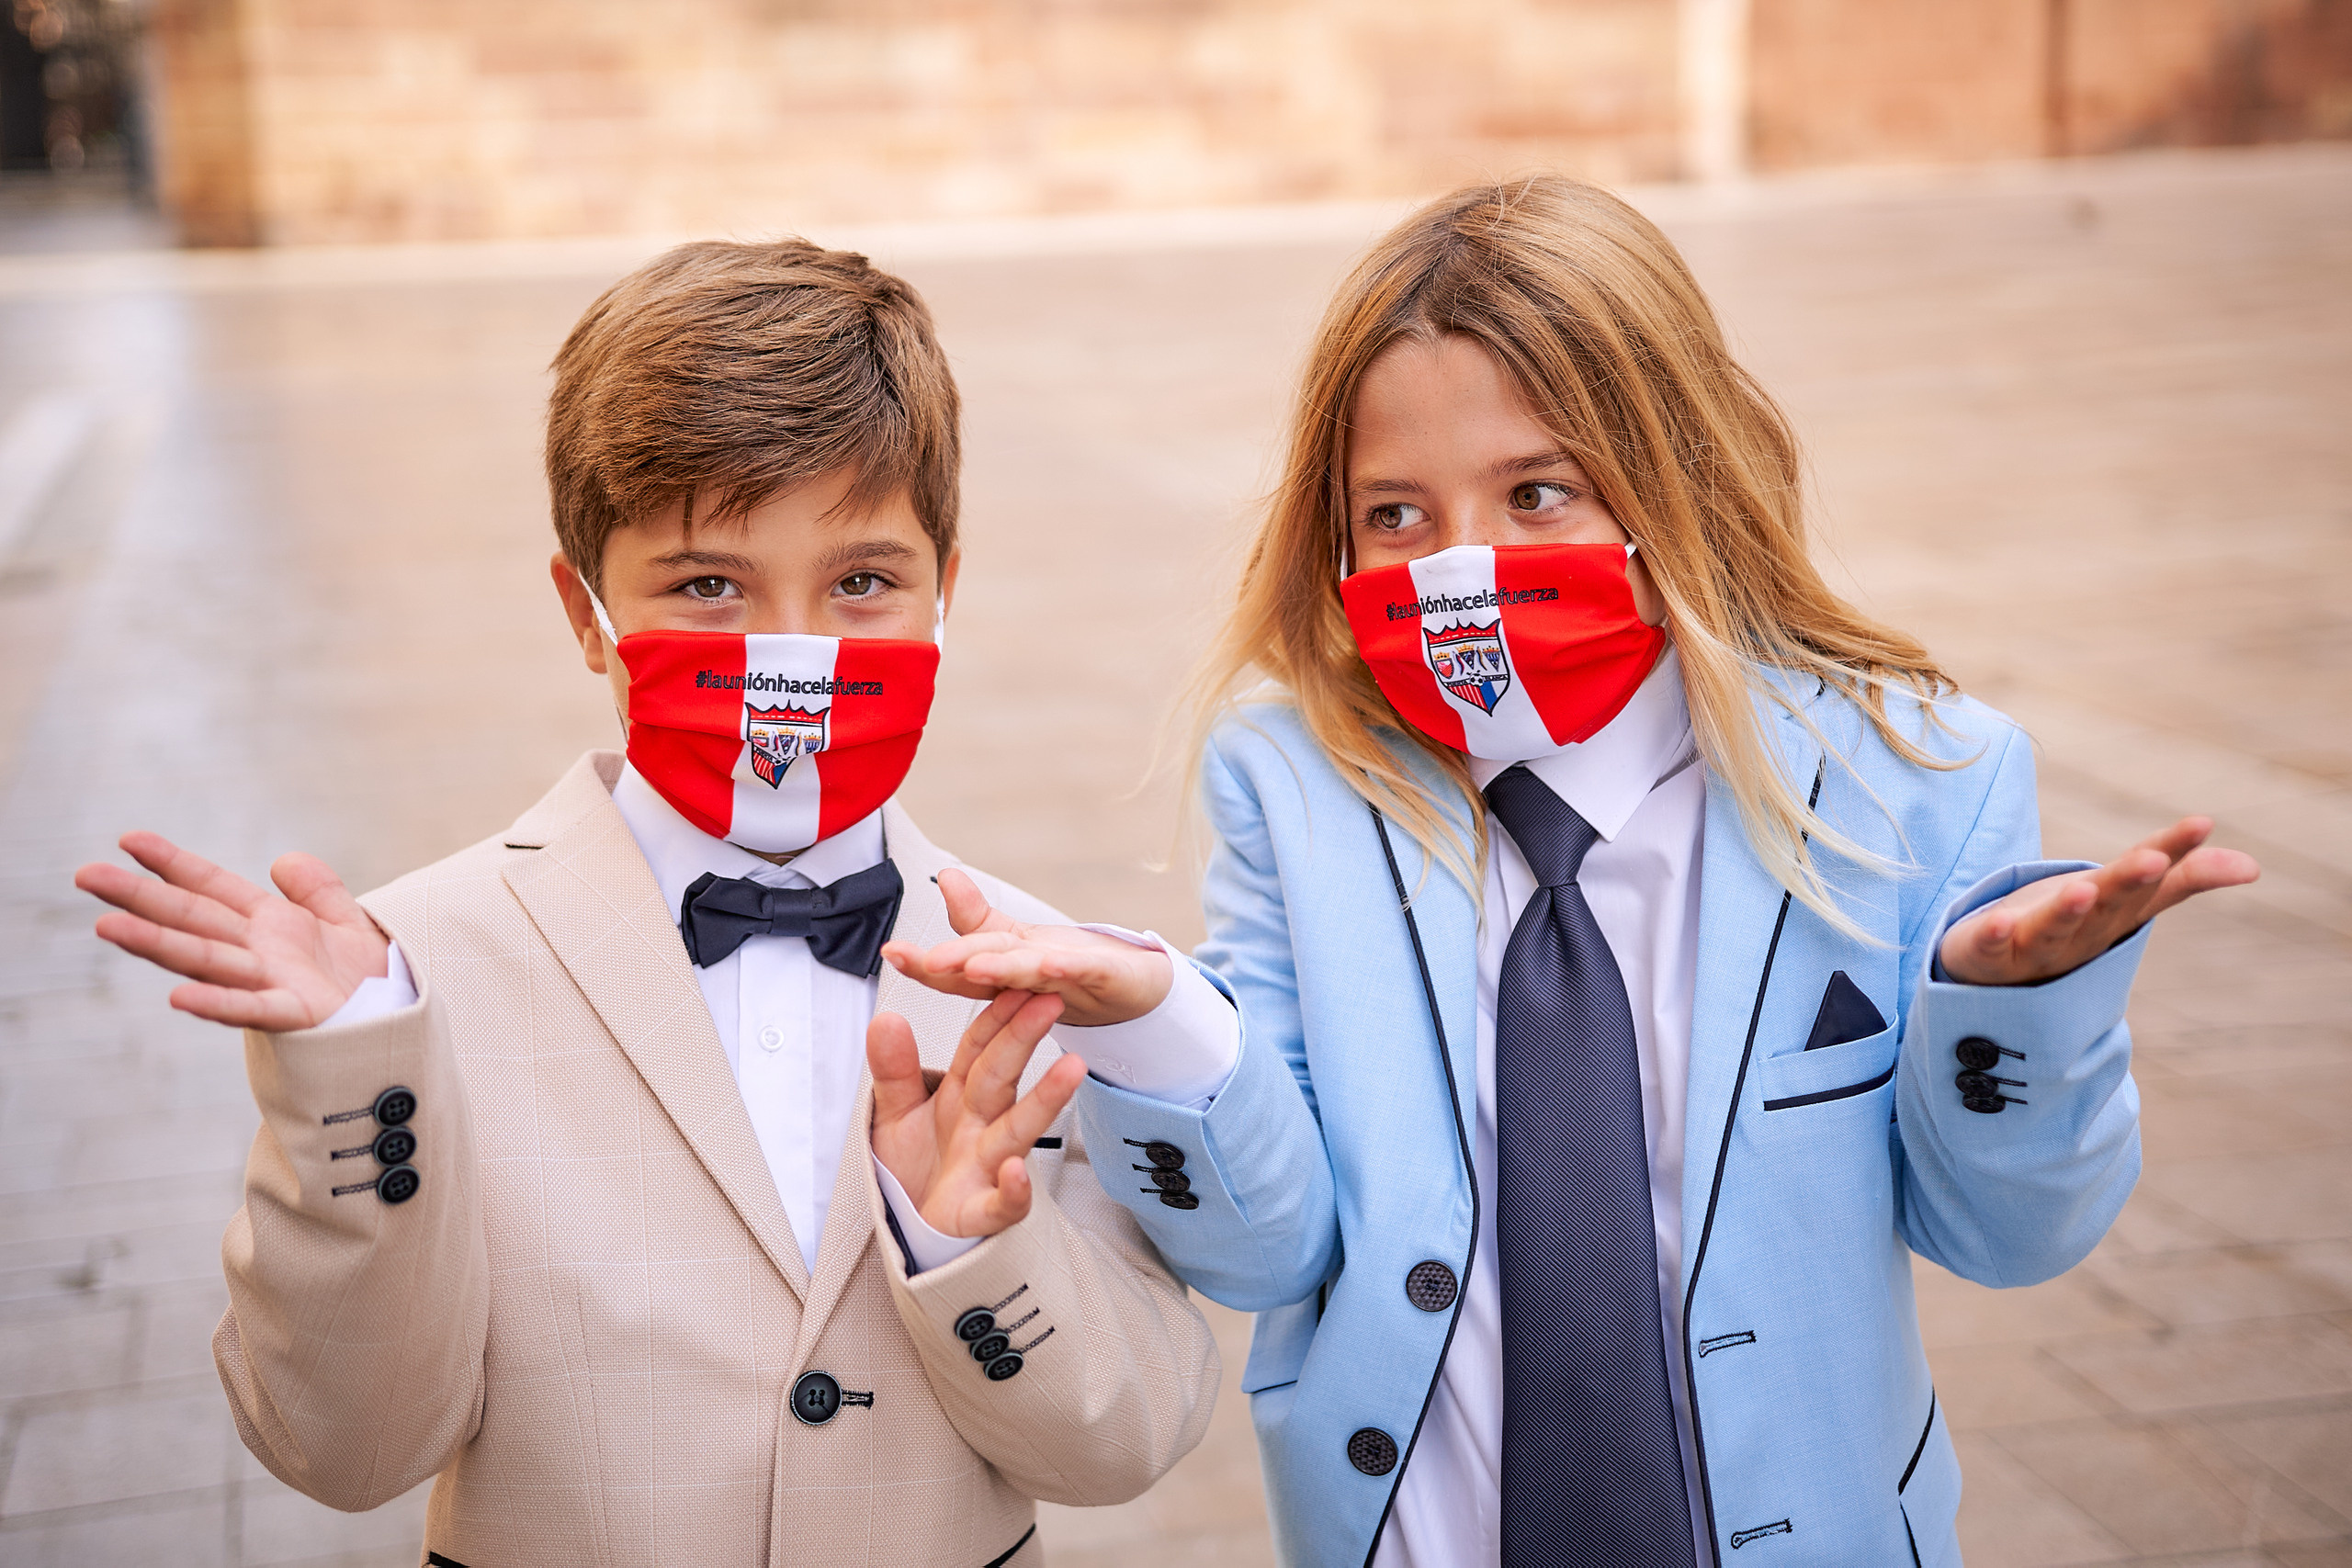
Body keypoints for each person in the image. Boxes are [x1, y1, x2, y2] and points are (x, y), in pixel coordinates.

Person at [880, 177, 2261, 1568]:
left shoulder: (1920, 775)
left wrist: (2005, 1003)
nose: (1465, 567)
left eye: (1538, 493)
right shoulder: (1295, 777)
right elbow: (1270, 1250)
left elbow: (2013, 1233)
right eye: (1399, 514)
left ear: (1682, 482)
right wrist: (1157, 1026)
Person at [72, 240, 1220, 1568]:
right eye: (707, 586)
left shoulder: (1033, 978)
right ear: (584, 611)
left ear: (944, 594)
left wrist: (972, 1255)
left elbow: (1125, 1443)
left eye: (861, 583)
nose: (794, 648)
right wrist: (353, 1074)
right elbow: (345, 1450)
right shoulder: (409, 970)